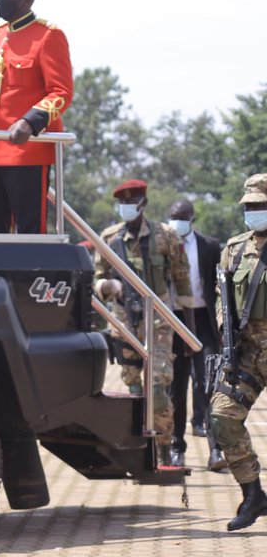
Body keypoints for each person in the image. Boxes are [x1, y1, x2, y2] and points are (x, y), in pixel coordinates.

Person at [93, 179, 196, 465]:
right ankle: (139, 451)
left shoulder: (165, 237)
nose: (126, 206)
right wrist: (108, 287)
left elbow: (182, 283)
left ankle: (165, 450)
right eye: (122, 202)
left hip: (159, 324)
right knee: (134, 390)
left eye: (132, 201)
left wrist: (189, 333)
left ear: (143, 204)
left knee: (158, 388)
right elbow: (96, 278)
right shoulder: (109, 238)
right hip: (124, 325)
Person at [0, 0, 73, 234]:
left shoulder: (48, 36)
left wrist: (30, 122)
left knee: (29, 232)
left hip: (24, 152)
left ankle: (26, 278)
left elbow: (61, 91)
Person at [209, 173, 267, 530]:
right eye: (249, 206)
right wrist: (222, 328)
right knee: (222, 418)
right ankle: (253, 495)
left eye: (260, 205)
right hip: (246, 353)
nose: (253, 211)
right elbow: (223, 298)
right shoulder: (234, 247)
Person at [167, 199, 226, 471]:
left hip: (203, 321)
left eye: (181, 217)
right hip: (174, 320)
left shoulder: (210, 246)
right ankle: (177, 448)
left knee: (209, 385)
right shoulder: (162, 244)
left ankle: (216, 451)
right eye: (172, 216)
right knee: (176, 387)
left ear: (192, 219)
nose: (176, 222)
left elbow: (218, 284)